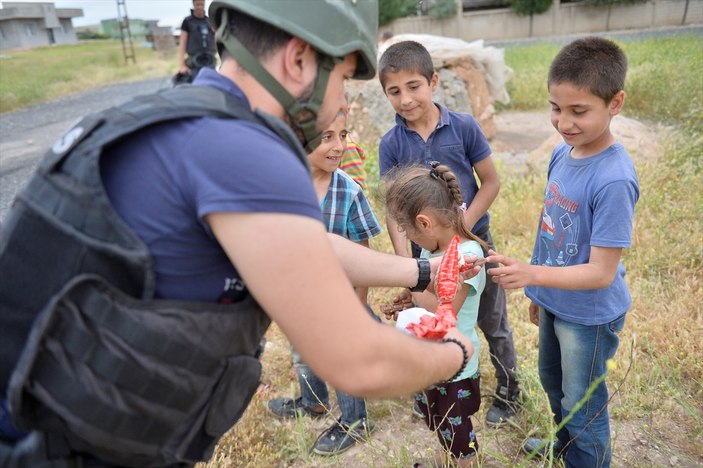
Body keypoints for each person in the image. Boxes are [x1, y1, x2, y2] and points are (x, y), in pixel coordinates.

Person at [0, 1, 484, 466]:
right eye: (340, 79)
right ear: (297, 60)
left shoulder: (183, 119)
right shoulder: (244, 151)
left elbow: (302, 245)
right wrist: (451, 354)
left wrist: (423, 269)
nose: (342, 101)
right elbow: (356, 361)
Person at [485, 37, 639, 467]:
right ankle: (566, 449)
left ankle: (587, 459)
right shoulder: (561, 153)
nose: (563, 122)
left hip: (587, 315)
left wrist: (532, 276)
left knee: (582, 403)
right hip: (556, 300)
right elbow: (549, 230)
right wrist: (540, 294)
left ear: (615, 103)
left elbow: (601, 273)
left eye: (578, 111)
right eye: (556, 108)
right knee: (553, 383)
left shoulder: (613, 179)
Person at [377, 39, 522, 426]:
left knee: (492, 322)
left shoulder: (464, 127)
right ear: (385, 94)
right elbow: (394, 211)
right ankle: (436, 387)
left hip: (476, 245)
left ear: (433, 82)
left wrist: (462, 232)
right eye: (394, 91)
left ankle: (509, 391)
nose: (405, 99)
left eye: (413, 86)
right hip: (425, 254)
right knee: (434, 317)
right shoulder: (391, 144)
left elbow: (490, 182)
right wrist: (407, 264)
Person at [267, 109, 381, 456]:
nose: (338, 146)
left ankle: (355, 420)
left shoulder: (348, 192)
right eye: (327, 137)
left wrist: (358, 306)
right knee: (303, 351)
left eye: (343, 136)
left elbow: (363, 258)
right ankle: (312, 401)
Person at [384, 162, 487, 466]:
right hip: (431, 360)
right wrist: (410, 301)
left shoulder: (467, 256)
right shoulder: (432, 252)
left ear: (425, 223)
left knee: (460, 437)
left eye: (408, 232)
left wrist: (412, 284)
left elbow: (446, 310)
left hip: (455, 366)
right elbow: (427, 294)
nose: (410, 239)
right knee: (442, 424)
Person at [175, 0, 217, 84]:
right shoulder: (187, 21)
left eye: (201, 4)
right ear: (193, 5)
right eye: (197, 5)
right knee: (197, 87)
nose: (200, 7)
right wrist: (182, 65)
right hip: (195, 63)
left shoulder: (209, 21)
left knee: (212, 86)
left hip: (210, 61)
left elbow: (216, 39)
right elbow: (182, 43)